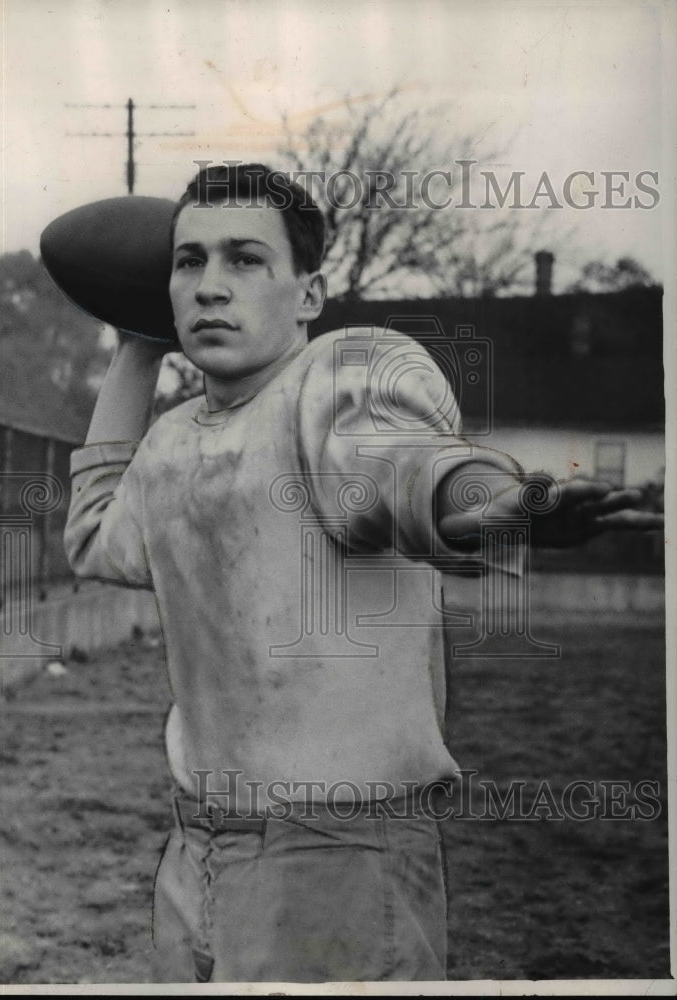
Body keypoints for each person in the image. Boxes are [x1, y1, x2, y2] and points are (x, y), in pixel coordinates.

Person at [63, 163, 662, 984]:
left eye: (244, 260)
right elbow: (95, 536)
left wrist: (497, 504)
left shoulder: (344, 378)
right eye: (188, 262)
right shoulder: (173, 443)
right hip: (196, 845)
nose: (209, 286)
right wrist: (136, 338)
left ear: (307, 294)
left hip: (340, 849)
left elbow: (407, 469)